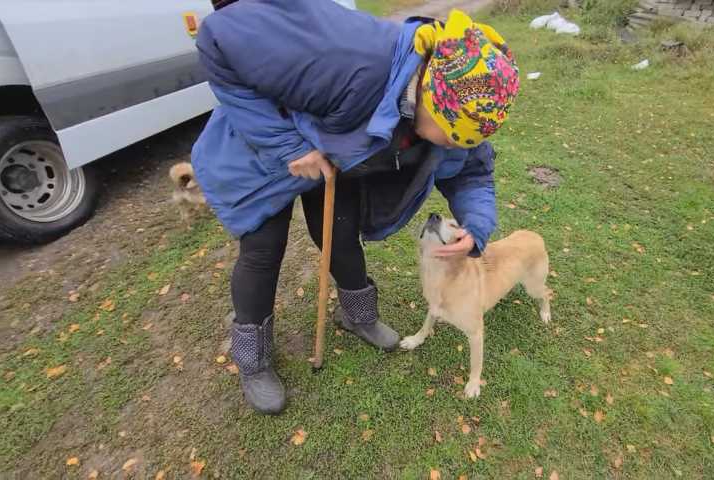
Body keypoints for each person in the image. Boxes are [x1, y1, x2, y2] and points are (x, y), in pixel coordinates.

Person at [192, 0, 519, 414]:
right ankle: (253, 361)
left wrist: (476, 224)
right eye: (452, 137)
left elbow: (472, 172)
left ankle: (358, 316)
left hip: (337, 158)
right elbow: (216, 38)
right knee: (263, 251)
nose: (455, 146)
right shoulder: (349, 58)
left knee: (339, 234)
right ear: (430, 99)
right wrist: (288, 146)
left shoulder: (464, 110)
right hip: (260, 156)